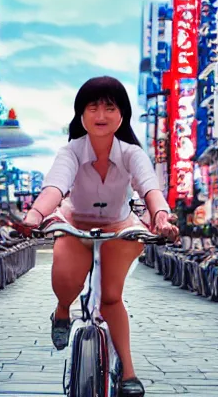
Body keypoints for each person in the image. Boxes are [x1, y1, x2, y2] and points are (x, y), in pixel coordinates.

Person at [18, 76, 178, 397]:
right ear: (81, 115)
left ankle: (129, 374)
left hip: (120, 228)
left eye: (110, 106)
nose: (101, 114)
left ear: (122, 115)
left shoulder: (133, 153)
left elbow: (150, 190)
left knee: (111, 297)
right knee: (65, 282)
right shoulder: (71, 151)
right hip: (76, 224)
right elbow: (55, 187)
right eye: (93, 107)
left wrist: (161, 217)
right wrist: (34, 215)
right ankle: (63, 310)